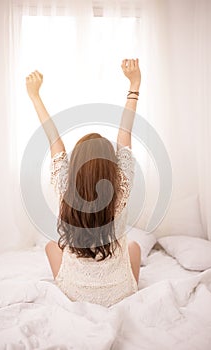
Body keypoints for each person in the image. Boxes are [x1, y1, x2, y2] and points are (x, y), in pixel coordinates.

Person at [26, 58, 141, 307]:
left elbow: (54, 141)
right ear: (112, 164)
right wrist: (134, 84)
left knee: (50, 247)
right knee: (135, 248)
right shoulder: (122, 186)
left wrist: (35, 96)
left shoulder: (65, 186)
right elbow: (125, 134)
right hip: (120, 292)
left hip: (74, 292)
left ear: (75, 165)